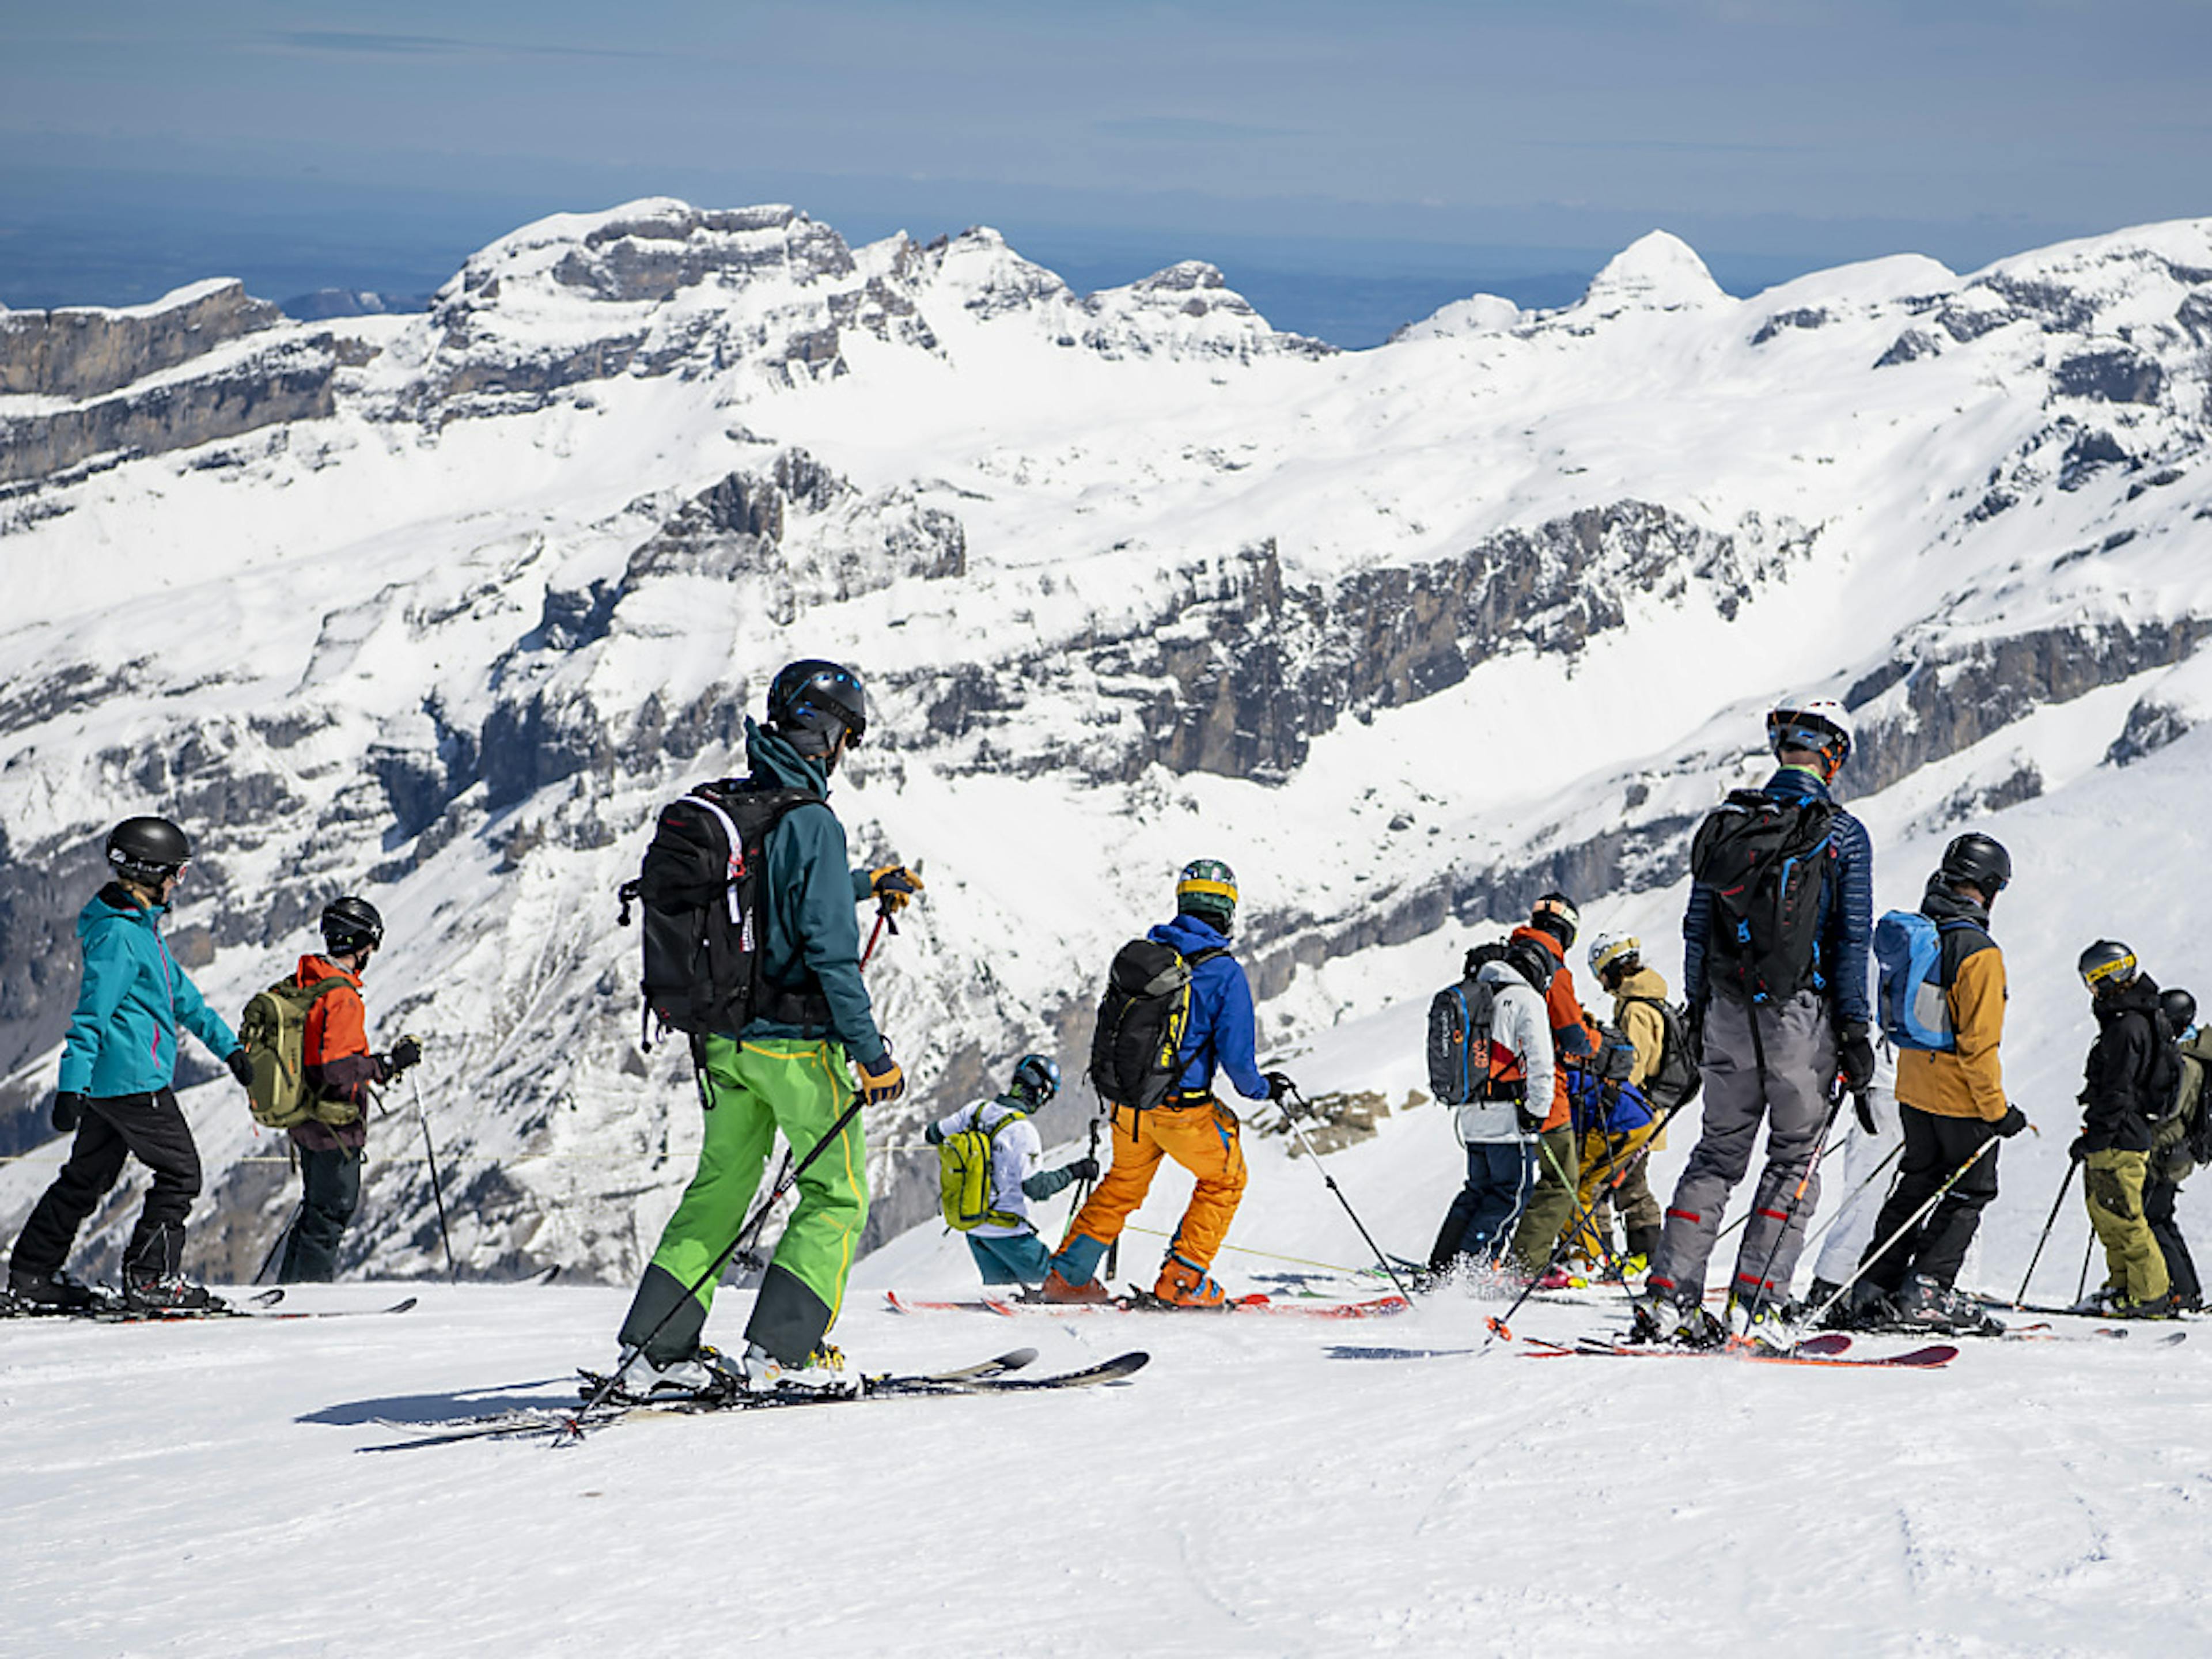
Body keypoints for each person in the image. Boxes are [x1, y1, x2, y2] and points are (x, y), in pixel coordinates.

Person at [610, 660, 920, 1400]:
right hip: (794, 1048)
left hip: (720, 1043)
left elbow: (769, 891)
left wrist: (862, 883)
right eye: (846, 734)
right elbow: (830, 953)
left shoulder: (742, 803)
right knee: (836, 1195)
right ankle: (785, 1352)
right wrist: (872, 1056)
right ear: (828, 736)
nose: (845, 749)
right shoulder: (810, 820)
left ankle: (655, 1354)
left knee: (719, 1190)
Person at [1636, 698, 1874, 1347]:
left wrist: (1698, 1011)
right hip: (1801, 1019)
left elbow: (1695, 929)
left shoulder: (1729, 823)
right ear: (1835, 754)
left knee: (1716, 1154)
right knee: (1794, 1159)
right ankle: (1759, 1306)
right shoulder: (1842, 832)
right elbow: (1852, 942)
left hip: (1725, 1013)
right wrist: (1856, 1037)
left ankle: (1668, 1300)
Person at [7, 818, 252, 1312]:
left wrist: (231, 1051)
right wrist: (69, 1086)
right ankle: (150, 1279)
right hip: (135, 1084)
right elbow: (90, 1015)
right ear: (150, 870)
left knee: (87, 1178)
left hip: (113, 1086)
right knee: (181, 1174)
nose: (179, 883)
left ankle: (32, 1275)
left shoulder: (143, 932)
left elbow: (187, 1002)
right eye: (176, 873)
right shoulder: (120, 937)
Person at [1040, 859, 1294, 1307]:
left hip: (1130, 1106)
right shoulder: (1223, 972)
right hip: (1184, 1112)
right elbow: (1239, 1065)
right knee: (1226, 1180)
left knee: (1122, 1185)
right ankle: (1184, 1279)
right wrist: (1265, 1090)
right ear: (1227, 911)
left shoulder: (1146, 954)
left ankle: (1067, 1276)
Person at [1845, 834, 2025, 1334]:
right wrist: (1998, 1112)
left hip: (1912, 1089)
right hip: (1960, 1099)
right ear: (1988, 887)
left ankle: (1874, 1285)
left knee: (1918, 1182)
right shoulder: (1979, 952)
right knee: (1971, 1191)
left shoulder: (1926, 931)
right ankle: (1927, 1291)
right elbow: (1978, 1046)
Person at [275, 896, 424, 1282]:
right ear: (359, 942)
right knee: (330, 1214)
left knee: (314, 1213)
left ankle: (289, 1293)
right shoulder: (341, 997)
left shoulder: (308, 983)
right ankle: (307, 1302)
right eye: (371, 943)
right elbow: (338, 1068)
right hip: (334, 1125)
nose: (371, 952)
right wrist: (386, 1064)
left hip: (304, 1116)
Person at [1427, 937, 1556, 1272]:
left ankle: (1441, 1267)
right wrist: (1537, 1112)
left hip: (1471, 1113)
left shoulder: (1479, 995)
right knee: (1510, 1195)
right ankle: (1469, 1273)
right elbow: (1540, 1063)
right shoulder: (1525, 1000)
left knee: (1476, 1191)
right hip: (1507, 1118)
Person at [2071, 941, 2179, 1317]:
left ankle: (2149, 1295)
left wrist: (2099, 1135)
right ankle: (2122, 1287)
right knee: (2108, 1215)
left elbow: (2120, 1088)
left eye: (2092, 980)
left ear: (2109, 975)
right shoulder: (2129, 1018)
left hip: (2122, 1137)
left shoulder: (2127, 1025)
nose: (2090, 989)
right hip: (2117, 1134)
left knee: (2126, 1219)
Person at [925, 1055, 1099, 1286]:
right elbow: (1037, 1188)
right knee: (1060, 1285)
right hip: (1008, 1233)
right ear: (1041, 1093)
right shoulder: (1022, 1131)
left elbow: (933, 1134)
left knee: (1003, 1294)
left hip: (974, 1229)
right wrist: (1076, 1171)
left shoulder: (976, 1110)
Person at [1504, 892, 1596, 1281]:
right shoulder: (1551, 968)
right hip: (1544, 1092)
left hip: (1496, 1086)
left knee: (1497, 1183)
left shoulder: (1506, 961)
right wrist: (1598, 1042)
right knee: (1562, 1182)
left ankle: (1467, 1261)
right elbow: (1573, 1036)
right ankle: (1525, 1265)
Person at [1579, 932, 1673, 1272]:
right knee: (1633, 1185)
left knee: (1598, 1181)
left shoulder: (1635, 1010)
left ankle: (1599, 1255)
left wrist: (1607, 1098)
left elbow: (1631, 1066)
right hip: (1647, 1113)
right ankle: (1646, 1253)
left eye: (1599, 971)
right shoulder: (1647, 999)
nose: (1600, 980)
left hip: (1630, 1115)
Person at [2146, 987, 2205, 1311]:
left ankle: (2180, 1290)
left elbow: (2170, 1110)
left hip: (2167, 1149)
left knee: (2153, 1218)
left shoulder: (2185, 1060)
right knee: (2162, 1218)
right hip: (2174, 1148)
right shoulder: (2188, 1052)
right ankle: (2188, 1290)